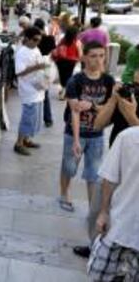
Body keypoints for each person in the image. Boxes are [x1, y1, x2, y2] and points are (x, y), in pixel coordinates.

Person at [72, 70, 139, 259]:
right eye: (133, 85)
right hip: (115, 163)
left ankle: (116, 253)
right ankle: (95, 246)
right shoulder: (126, 99)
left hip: (135, 170)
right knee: (97, 209)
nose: (134, 89)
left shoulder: (130, 107)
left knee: (124, 214)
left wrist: (131, 116)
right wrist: (113, 101)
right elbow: (98, 124)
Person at [59, 41, 115, 212]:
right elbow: (75, 111)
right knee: (69, 168)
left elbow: (109, 109)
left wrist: (91, 105)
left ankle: (93, 208)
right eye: (93, 56)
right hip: (75, 133)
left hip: (97, 135)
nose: (98, 60)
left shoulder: (108, 81)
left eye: (101, 56)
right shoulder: (75, 81)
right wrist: (76, 140)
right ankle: (64, 193)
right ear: (84, 57)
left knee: (94, 174)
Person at [87, 127, 139, 282]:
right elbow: (109, 179)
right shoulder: (128, 138)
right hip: (121, 225)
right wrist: (103, 212)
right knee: (102, 275)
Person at [13, 27, 47, 156]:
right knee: (27, 117)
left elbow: (38, 64)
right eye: (35, 40)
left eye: (39, 40)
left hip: (37, 88)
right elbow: (19, 72)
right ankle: (19, 143)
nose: (37, 42)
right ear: (27, 38)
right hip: (28, 89)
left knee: (35, 118)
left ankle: (26, 139)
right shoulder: (22, 52)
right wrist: (36, 67)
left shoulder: (36, 49)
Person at [34, 18, 56, 127]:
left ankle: (36, 119)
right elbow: (54, 53)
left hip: (36, 68)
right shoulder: (50, 39)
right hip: (47, 68)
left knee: (35, 95)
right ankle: (48, 119)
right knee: (45, 94)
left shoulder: (34, 39)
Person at [52, 27, 82, 100]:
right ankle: (64, 92)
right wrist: (78, 60)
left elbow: (56, 49)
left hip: (60, 61)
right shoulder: (77, 41)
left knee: (62, 76)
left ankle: (63, 90)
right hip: (71, 61)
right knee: (68, 76)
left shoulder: (62, 40)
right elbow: (80, 54)